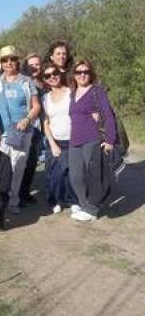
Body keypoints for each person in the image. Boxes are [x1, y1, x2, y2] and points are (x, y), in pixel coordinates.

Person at [0, 45, 41, 214]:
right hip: (1, 132)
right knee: (1, 167)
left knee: (18, 166)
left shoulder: (27, 82)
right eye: (5, 60)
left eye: (12, 59)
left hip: (22, 131)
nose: (9, 63)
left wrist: (27, 120)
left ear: (17, 61)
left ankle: (13, 201)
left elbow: (36, 107)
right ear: (1, 63)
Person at [68, 59, 116, 222]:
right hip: (75, 140)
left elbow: (108, 116)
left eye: (85, 72)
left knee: (94, 176)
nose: (82, 75)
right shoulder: (72, 92)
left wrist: (110, 140)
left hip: (93, 138)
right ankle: (84, 204)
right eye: (78, 72)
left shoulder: (97, 90)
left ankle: (92, 209)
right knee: (76, 176)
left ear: (91, 73)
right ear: (74, 75)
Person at [42, 62, 79, 214]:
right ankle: (55, 200)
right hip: (55, 141)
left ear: (60, 74)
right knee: (55, 175)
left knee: (71, 173)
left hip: (73, 139)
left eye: (54, 73)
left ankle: (73, 201)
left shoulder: (72, 93)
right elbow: (45, 123)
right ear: (45, 80)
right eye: (48, 76)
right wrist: (52, 144)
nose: (52, 77)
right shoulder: (45, 98)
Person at [19, 53, 47, 205]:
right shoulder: (22, 82)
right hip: (27, 124)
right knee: (24, 160)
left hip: (43, 125)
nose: (35, 67)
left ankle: (25, 191)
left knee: (33, 161)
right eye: (31, 64)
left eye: (37, 64)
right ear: (25, 66)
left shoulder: (46, 81)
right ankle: (19, 193)